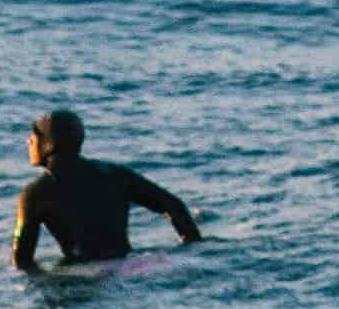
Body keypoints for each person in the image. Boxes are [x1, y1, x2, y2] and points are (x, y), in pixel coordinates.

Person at [10, 108, 201, 270]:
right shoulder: (115, 174)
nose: (29, 142)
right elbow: (174, 205)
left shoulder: (35, 194)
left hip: (84, 274)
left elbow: (22, 261)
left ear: (48, 144)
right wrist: (194, 248)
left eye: (34, 137)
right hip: (130, 266)